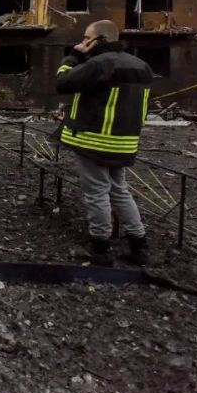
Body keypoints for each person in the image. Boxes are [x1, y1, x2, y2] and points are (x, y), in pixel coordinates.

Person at [56, 19, 153, 266]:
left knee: (97, 192)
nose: (82, 42)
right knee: (119, 189)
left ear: (99, 40)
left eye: (86, 38)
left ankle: (100, 248)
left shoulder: (100, 63)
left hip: (95, 141)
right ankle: (138, 244)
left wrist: (72, 56)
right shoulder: (141, 65)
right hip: (125, 142)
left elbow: (63, 82)